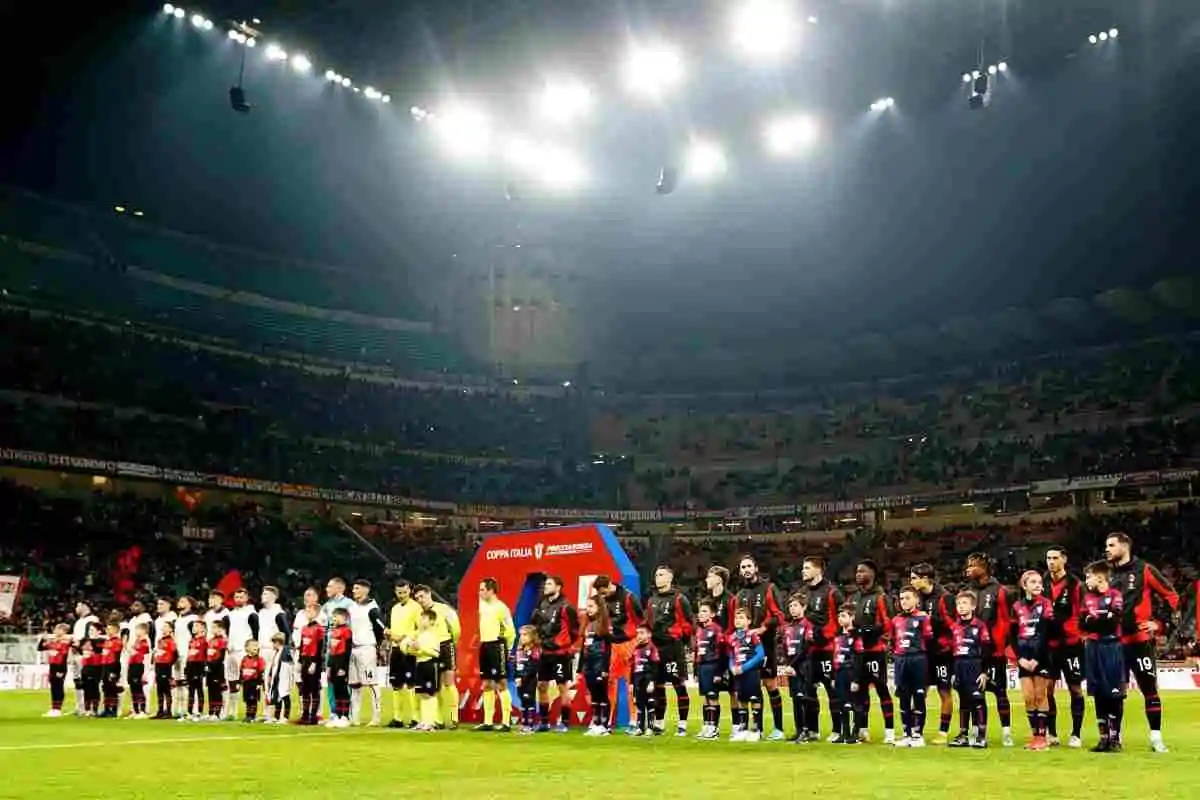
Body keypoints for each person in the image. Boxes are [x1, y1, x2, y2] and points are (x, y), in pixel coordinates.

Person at [1105, 531, 1179, 753]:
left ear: (1125, 546)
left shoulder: (1144, 569)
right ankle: (1114, 737)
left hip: (1140, 641)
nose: (1107, 549)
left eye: (1111, 545)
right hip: (1114, 643)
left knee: (1149, 688)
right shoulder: (1105, 573)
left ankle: (1156, 737)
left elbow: (1172, 597)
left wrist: (1160, 623)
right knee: (1115, 692)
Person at [734, 554, 786, 740]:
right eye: (743, 567)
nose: (746, 569)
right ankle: (758, 729)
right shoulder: (740, 595)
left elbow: (779, 615)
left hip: (765, 645)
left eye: (749, 566)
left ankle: (779, 728)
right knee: (753, 687)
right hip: (745, 649)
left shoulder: (769, 588)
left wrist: (763, 628)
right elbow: (737, 621)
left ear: (756, 568)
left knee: (769, 684)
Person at [964, 552, 1013, 747]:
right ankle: (978, 732)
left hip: (994, 652)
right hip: (973, 654)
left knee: (1000, 692)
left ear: (983, 568)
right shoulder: (968, 590)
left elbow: (1005, 621)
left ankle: (1006, 732)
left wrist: (998, 647)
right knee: (977, 694)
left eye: (972, 565)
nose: (968, 569)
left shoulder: (999, 590)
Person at [847, 559, 895, 743]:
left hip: (875, 650)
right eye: (857, 571)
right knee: (860, 692)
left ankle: (889, 732)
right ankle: (862, 730)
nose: (858, 574)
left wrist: (873, 633)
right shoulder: (854, 598)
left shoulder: (881, 597)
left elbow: (887, 623)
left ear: (872, 574)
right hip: (858, 652)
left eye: (862, 571)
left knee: (882, 690)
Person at [1081, 560, 1127, 753]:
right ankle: (1103, 737)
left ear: (1100, 577)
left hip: (1111, 646)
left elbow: (1113, 621)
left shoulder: (1115, 595)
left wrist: (1095, 620)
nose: (1086, 580)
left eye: (1089, 576)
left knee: (1114, 695)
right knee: (1098, 693)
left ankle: (1115, 737)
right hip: (1093, 648)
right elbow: (1083, 624)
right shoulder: (1087, 598)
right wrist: (1101, 619)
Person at [644, 564, 694, 736]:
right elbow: (648, 623)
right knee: (657, 687)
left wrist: (676, 637)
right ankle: (659, 722)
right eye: (656, 575)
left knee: (678, 685)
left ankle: (682, 724)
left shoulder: (680, 599)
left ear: (670, 578)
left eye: (661, 574)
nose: (658, 577)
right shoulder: (651, 600)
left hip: (673, 649)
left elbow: (688, 624)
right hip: (656, 649)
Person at [1044, 546, 1086, 747]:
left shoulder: (1075, 584)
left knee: (1075, 688)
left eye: (1055, 558)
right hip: (1048, 646)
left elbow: (1082, 612)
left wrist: (1074, 632)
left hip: (1071, 645)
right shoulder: (1041, 583)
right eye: (1048, 558)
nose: (1051, 561)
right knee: (1047, 689)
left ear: (1064, 560)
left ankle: (1076, 733)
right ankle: (1051, 733)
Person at [909, 562, 955, 744]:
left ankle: (943, 732)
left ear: (925, 578)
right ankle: (916, 730)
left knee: (944, 691)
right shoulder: (917, 598)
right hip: (923, 653)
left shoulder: (945, 597)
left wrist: (928, 620)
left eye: (913, 578)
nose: (910, 581)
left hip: (942, 652)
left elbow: (951, 625)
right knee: (920, 691)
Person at [800, 555, 843, 740]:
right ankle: (812, 731)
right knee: (809, 692)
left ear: (818, 570)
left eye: (807, 567)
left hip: (827, 650)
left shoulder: (832, 592)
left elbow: (840, 619)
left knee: (832, 691)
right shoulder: (804, 593)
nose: (803, 571)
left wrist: (825, 636)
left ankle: (837, 730)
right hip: (810, 651)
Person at [592, 574, 642, 730]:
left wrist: (638, 642)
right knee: (609, 683)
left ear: (609, 585)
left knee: (632, 684)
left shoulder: (628, 598)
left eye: (603, 592)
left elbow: (640, 621)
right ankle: (608, 720)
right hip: (612, 645)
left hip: (629, 644)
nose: (602, 595)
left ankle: (634, 721)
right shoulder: (603, 601)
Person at [530, 575, 579, 732]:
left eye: (549, 584)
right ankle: (544, 722)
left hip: (560, 653)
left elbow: (574, 631)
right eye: (546, 584)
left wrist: (563, 645)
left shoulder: (566, 607)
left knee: (562, 687)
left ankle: (565, 723)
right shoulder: (542, 604)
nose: (546, 586)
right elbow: (535, 626)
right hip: (544, 653)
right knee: (541, 686)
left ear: (558, 587)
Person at [1011, 571, 1054, 751]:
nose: (1038, 585)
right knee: (1028, 697)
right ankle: (1034, 734)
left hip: (1041, 656)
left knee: (1040, 695)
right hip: (1023, 657)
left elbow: (1046, 632)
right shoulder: (1016, 606)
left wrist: (1037, 658)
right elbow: (1012, 635)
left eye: (1039, 582)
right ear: (1024, 585)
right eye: (1033, 582)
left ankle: (1042, 737)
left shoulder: (1046, 604)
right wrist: (1019, 658)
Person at [413, 584, 462, 729]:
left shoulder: (444, 609)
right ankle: (438, 719)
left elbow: (456, 629)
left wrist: (451, 642)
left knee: (449, 682)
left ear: (429, 594)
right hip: (429, 649)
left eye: (422, 596)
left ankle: (454, 718)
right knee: (435, 685)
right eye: (417, 598)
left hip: (445, 645)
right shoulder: (419, 614)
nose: (420, 600)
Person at [891, 586, 932, 748]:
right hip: (901, 659)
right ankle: (906, 734)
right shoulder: (896, 620)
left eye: (907, 598)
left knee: (919, 696)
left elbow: (928, 639)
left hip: (918, 659)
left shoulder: (923, 618)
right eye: (901, 599)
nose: (904, 602)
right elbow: (893, 640)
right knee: (903, 697)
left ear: (916, 600)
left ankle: (918, 734)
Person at [948, 591, 990, 749]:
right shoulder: (955, 626)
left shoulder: (980, 625)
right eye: (959, 604)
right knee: (964, 701)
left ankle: (981, 736)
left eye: (964, 603)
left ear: (973, 606)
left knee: (978, 700)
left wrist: (984, 672)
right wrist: (952, 673)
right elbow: (951, 651)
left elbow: (986, 649)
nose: (961, 607)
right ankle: (963, 735)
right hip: (959, 665)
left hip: (974, 665)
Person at [475, 577, 516, 732]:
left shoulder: (501, 608)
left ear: (491, 591)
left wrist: (508, 649)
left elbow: (511, 631)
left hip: (497, 645)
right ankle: (488, 722)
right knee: (486, 684)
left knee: (501, 683)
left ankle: (506, 722)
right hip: (485, 645)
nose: (479, 593)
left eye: (482, 589)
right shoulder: (482, 605)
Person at [701, 566, 738, 731]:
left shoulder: (731, 600)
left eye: (710, 576)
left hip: (727, 651)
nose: (706, 580)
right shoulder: (705, 601)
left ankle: (738, 726)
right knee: (708, 691)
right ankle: (709, 726)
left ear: (719, 579)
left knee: (732, 690)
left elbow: (733, 624)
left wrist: (723, 638)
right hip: (709, 654)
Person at [348, 579, 386, 726]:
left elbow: (381, 628)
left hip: (367, 648)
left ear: (365, 590)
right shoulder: (352, 607)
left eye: (357, 588)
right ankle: (354, 717)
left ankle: (376, 716)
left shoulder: (372, 608)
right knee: (355, 684)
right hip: (354, 648)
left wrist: (379, 646)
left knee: (371, 683)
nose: (353, 591)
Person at [387, 579, 422, 729]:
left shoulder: (416, 608)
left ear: (410, 591)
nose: (402, 595)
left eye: (405, 592)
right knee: (396, 683)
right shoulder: (394, 608)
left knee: (411, 683)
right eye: (399, 592)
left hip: (408, 649)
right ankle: (398, 718)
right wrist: (389, 634)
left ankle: (415, 717)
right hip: (395, 649)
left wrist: (404, 637)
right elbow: (393, 629)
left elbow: (420, 628)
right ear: (395, 592)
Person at [319, 578, 356, 720]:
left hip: (343, 648)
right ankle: (334, 712)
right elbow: (324, 626)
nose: (327, 589)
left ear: (340, 588)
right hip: (331, 647)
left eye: (330, 586)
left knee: (342, 681)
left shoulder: (349, 604)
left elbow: (351, 627)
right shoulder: (327, 606)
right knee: (330, 680)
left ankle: (346, 712)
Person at [779, 593, 813, 743]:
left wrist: (792, 665)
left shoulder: (807, 625)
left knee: (803, 698)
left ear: (804, 607)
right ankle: (798, 730)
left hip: (803, 666)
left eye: (796, 606)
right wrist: (787, 664)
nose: (792, 609)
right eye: (790, 606)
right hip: (791, 667)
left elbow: (807, 647)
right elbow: (785, 648)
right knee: (795, 700)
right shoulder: (788, 627)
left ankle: (806, 730)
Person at [693, 598, 727, 741]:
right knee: (706, 698)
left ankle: (714, 728)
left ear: (712, 614)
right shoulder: (700, 630)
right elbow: (697, 651)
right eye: (700, 611)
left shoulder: (717, 629)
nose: (701, 613)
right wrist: (695, 670)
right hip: (702, 666)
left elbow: (723, 651)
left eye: (705, 611)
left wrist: (719, 672)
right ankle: (706, 725)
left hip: (712, 665)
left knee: (713, 697)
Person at [580, 595, 613, 736]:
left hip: (600, 664)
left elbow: (608, 649)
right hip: (589, 665)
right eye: (587, 606)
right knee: (594, 694)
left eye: (591, 606)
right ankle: (596, 722)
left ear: (600, 607)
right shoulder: (587, 624)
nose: (589, 609)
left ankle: (605, 725)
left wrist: (605, 668)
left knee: (602, 694)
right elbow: (584, 647)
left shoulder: (605, 624)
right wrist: (580, 667)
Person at [256, 586, 290, 720]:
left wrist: (283, 651)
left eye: (266, 594)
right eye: (263, 593)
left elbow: (286, 632)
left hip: (274, 650)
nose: (263, 596)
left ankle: (278, 712)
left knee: (275, 681)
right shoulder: (262, 612)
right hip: (263, 649)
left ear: (274, 596)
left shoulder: (278, 612)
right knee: (266, 682)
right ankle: (266, 711)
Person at [226, 588, 259, 721]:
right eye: (236, 597)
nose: (238, 599)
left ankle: (251, 713)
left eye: (241, 597)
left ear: (246, 598)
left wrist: (254, 648)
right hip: (231, 650)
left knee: (248, 682)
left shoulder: (251, 613)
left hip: (244, 651)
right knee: (232, 681)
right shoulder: (231, 614)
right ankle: (232, 711)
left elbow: (256, 631)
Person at [408, 608, 443, 732]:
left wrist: (421, 648)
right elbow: (417, 651)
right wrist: (412, 649)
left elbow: (436, 653)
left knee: (430, 694)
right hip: (420, 664)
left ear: (432, 621)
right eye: (421, 618)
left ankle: (431, 723)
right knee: (422, 694)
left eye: (424, 618)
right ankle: (424, 722)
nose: (421, 621)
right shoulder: (420, 635)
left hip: (430, 664)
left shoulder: (433, 636)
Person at [831, 605, 859, 745]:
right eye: (839, 616)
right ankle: (844, 733)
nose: (840, 619)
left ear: (852, 617)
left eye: (844, 616)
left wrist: (855, 679)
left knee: (853, 704)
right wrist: (833, 676)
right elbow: (834, 656)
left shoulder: (855, 635)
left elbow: (858, 657)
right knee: (841, 704)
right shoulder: (837, 636)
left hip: (850, 672)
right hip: (839, 672)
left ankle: (855, 733)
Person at [203, 591, 232, 719]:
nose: (210, 600)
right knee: (211, 686)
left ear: (220, 599)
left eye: (213, 598)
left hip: (220, 654)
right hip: (210, 651)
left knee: (221, 684)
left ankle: (223, 711)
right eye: (210, 598)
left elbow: (228, 631)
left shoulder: (226, 614)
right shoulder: (208, 615)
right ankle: (211, 711)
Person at [629, 622, 660, 737]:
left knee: (650, 703)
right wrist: (631, 683)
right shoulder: (636, 649)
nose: (639, 636)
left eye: (642, 633)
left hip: (647, 679)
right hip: (637, 679)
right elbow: (633, 667)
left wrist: (652, 681)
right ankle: (640, 728)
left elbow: (655, 667)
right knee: (639, 704)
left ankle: (650, 728)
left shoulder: (652, 648)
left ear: (649, 635)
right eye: (638, 633)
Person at [69, 601, 99, 715]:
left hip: (85, 654)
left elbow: (90, 636)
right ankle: (79, 706)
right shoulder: (79, 621)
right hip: (76, 652)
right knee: (77, 680)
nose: (76, 608)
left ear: (85, 606)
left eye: (78, 606)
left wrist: (80, 646)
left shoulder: (92, 619)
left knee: (86, 680)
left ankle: (89, 707)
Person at [326, 607, 354, 728]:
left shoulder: (347, 631)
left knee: (342, 689)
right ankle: (337, 715)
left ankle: (345, 715)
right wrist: (329, 666)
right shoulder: (334, 631)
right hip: (333, 662)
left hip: (341, 662)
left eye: (336, 616)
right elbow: (331, 651)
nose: (334, 619)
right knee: (336, 689)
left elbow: (347, 650)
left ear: (343, 617)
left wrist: (344, 667)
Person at [173, 597, 199, 718]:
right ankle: (179, 708)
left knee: (188, 683)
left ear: (191, 605)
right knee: (178, 682)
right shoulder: (177, 619)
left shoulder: (193, 619)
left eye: (183, 602)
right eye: (179, 601)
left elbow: (196, 636)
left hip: (187, 653)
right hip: (176, 654)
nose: (180, 604)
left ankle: (192, 708)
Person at [37, 624, 71, 718]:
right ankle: (54, 708)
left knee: (58, 686)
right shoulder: (53, 641)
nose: (55, 631)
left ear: (63, 631)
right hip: (52, 667)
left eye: (57, 629)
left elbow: (63, 655)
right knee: (53, 687)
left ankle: (58, 709)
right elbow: (40, 648)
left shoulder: (65, 642)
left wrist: (61, 670)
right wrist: (43, 639)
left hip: (60, 667)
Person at [296, 612, 325, 725]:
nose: (309, 613)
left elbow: (320, 646)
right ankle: (305, 714)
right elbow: (302, 645)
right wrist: (299, 660)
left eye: (311, 611)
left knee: (314, 688)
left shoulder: (319, 629)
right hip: (305, 659)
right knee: (305, 688)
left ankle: (313, 716)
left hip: (313, 660)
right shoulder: (304, 628)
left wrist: (315, 662)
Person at [514, 625, 542, 733]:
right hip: (519, 680)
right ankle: (524, 723)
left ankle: (531, 724)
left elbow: (533, 668)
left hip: (529, 680)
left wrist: (523, 678)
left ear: (532, 636)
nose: (522, 637)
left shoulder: (535, 650)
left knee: (529, 700)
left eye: (525, 635)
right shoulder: (519, 649)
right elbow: (516, 665)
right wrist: (517, 677)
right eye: (521, 635)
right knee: (523, 701)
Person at [265, 631, 293, 724]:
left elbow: (288, 665)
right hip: (277, 677)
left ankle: (285, 716)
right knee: (276, 696)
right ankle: (276, 717)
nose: (273, 645)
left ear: (277, 642)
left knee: (285, 696)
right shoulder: (276, 652)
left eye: (273, 642)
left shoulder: (286, 651)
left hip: (284, 677)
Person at [152, 622, 177, 719]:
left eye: (166, 627)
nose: (163, 628)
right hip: (158, 666)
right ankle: (160, 711)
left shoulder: (171, 641)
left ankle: (169, 712)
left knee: (166, 689)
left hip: (165, 667)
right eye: (163, 626)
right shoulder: (160, 640)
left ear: (171, 630)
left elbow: (175, 654)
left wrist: (169, 664)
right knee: (159, 689)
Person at [99, 619, 124, 718]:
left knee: (112, 688)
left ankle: (113, 710)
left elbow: (117, 656)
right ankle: (106, 709)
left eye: (109, 628)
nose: (107, 630)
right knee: (106, 688)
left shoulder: (117, 642)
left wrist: (114, 670)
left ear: (115, 630)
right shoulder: (107, 641)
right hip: (105, 666)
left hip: (112, 666)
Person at [126, 623, 151, 719]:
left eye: (138, 630)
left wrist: (145, 672)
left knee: (138, 688)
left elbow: (145, 656)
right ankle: (135, 710)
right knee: (133, 688)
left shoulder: (145, 641)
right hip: (132, 665)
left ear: (144, 631)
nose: (136, 632)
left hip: (139, 666)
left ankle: (143, 710)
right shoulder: (136, 641)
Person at [205, 618, 229, 720]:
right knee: (210, 690)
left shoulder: (222, 641)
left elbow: (221, 657)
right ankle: (211, 712)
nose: (212, 629)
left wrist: (213, 665)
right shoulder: (210, 640)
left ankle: (218, 713)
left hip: (217, 668)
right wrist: (207, 665)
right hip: (210, 668)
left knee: (217, 691)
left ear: (220, 629)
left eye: (214, 627)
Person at [184, 619, 207, 720]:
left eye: (197, 626)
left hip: (199, 666)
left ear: (203, 628)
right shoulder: (192, 640)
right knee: (191, 689)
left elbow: (206, 655)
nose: (194, 628)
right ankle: (189, 712)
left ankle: (199, 712)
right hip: (190, 665)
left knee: (199, 689)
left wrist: (204, 668)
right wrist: (186, 667)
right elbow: (189, 654)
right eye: (194, 626)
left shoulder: (204, 641)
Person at [78, 621, 103, 716]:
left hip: (96, 667)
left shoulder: (101, 641)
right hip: (86, 666)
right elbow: (80, 651)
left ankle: (95, 709)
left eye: (93, 630)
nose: (90, 632)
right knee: (86, 688)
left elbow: (99, 650)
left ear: (99, 631)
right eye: (89, 630)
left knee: (95, 688)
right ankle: (87, 709)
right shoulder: (84, 640)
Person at [239, 639, 267, 723]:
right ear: (247, 648)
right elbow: (241, 670)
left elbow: (261, 672)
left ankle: (252, 716)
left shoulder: (259, 659)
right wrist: (240, 681)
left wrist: (259, 683)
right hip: (246, 683)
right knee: (247, 700)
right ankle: (247, 715)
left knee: (253, 700)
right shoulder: (244, 659)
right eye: (253, 645)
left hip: (254, 683)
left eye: (256, 645)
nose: (256, 647)